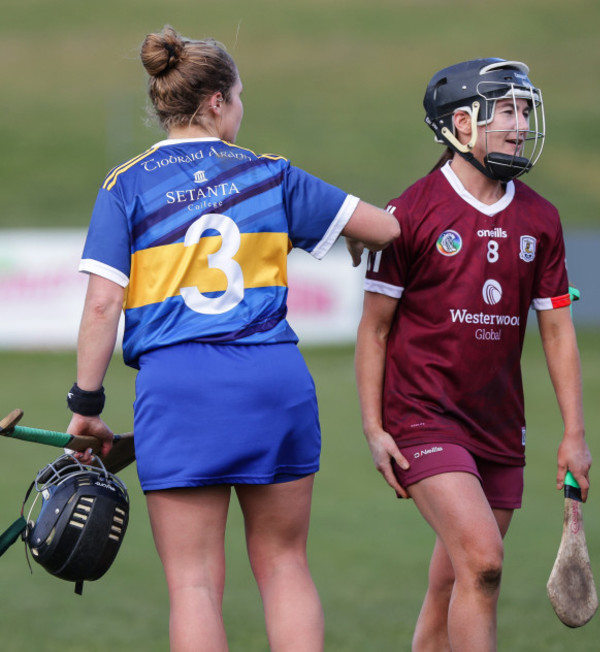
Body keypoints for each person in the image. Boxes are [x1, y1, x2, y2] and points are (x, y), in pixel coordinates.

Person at [65, 25, 399, 652]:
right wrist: (360, 235)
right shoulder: (271, 174)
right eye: (240, 96)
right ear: (217, 101)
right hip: (273, 382)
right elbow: (386, 229)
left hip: (180, 388)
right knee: (284, 566)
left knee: (193, 585)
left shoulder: (126, 183)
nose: (242, 109)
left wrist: (86, 407)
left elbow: (103, 303)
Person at [355, 58, 592, 651]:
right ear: (461, 125)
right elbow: (374, 330)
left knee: (453, 583)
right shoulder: (408, 213)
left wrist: (574, 434)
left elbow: (558, 332)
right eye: (505, 111)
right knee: (484, 562)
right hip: (423, 418)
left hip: (498, 425)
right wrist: (373, 427)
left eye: (524, 110)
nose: (519, 125)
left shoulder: (541, 218)